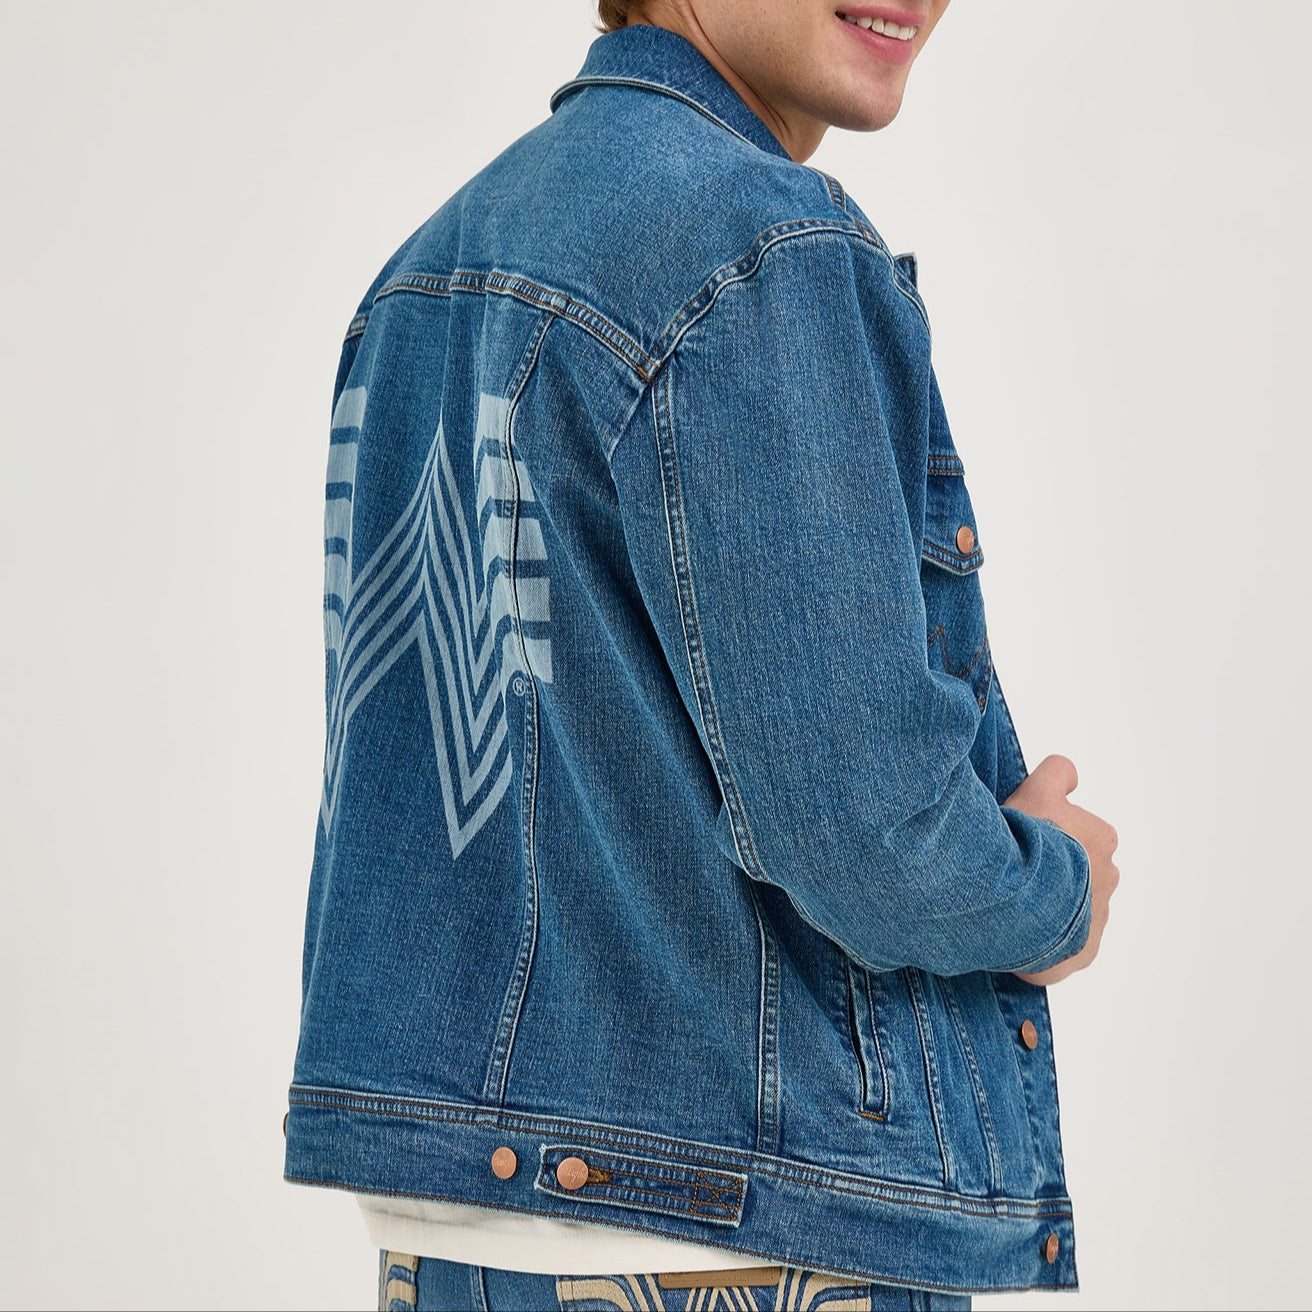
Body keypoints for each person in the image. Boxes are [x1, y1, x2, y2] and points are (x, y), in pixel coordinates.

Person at [283, 1, 1121, 1309]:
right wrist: (1047, 887)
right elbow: (865, 831)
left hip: (450, 1234)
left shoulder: (426, 268)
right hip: (730, 1230)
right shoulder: (759, 243)